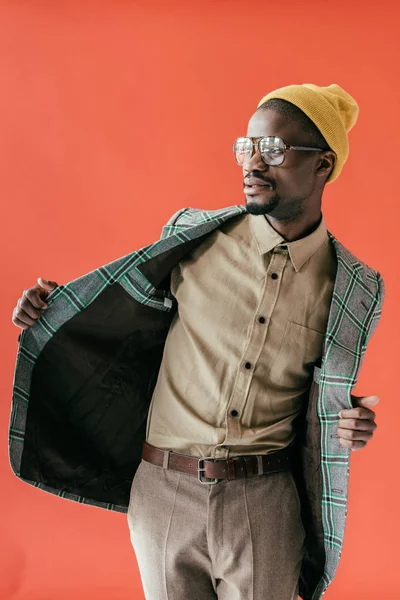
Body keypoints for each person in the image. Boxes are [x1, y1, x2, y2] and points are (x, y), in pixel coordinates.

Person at [10, 83, 384, 600]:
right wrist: (50, 309)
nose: (252, 163)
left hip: (265, 503)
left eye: (274, 150)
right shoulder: (193, 237)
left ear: (323, 165)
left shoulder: (354, 286)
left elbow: (329, 395)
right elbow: (119, 317)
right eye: (246, 147)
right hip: (164, 490)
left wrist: (350, 421)